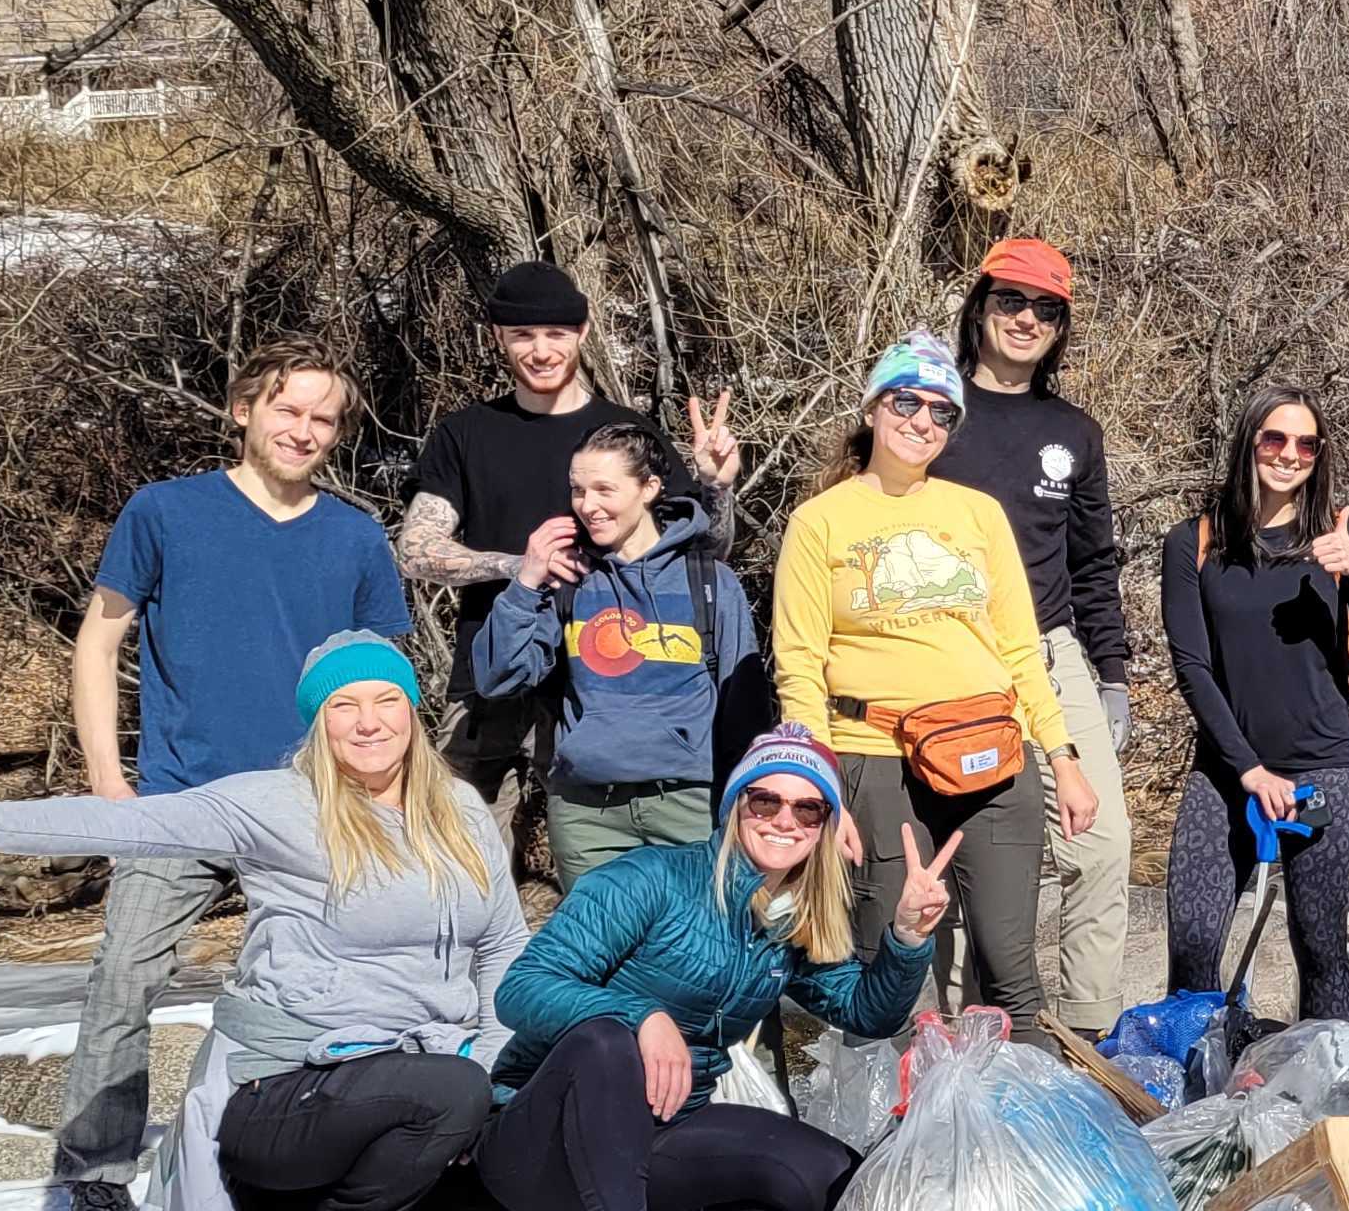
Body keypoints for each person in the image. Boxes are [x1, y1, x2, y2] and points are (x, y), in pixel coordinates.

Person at [0, 634, 524, 1211]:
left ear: (412, 710)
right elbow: (120, 824)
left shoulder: (457, 810)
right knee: (445, 1091)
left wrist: (493, 1080)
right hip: (285, 1088)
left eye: (385, 699)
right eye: (344, 705)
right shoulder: (278, 805)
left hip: (418, 1082)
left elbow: (502, 949)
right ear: (318, 722)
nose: (369, 721)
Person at [37, 339, 415, 1211]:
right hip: (184, 795)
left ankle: (307, 1172)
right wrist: (106, 778)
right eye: (288, 410)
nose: (305, 431)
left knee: (337, 991)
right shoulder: (167, 512)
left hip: (315, 803)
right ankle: (94, 1182)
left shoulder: (356, 538)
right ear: (243, 410)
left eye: (324, 419)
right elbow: (99, 641)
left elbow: (385, 683)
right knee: (124, 978)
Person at [478, 727, 951, 1211]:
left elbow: (866, 1013)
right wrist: (641, 1016)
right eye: (765, 801)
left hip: (657, 1134)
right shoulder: (648, 880)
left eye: (807, 808)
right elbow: (522, 988)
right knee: (605, 1042)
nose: (784, 819)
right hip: (539, 1147)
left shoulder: (785, 917)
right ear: (734, 808)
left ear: (825, 827)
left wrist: (907, 937)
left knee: (824, 1181)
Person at [771, 337, 1100, 1034]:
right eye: (907, 401)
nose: (922, 421)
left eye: (941, 412)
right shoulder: (820, 522)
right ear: (873, 407)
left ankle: (1026, 1133)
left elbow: (1018, 647)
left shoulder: (977, 513)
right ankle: (865, 1136)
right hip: (875, 759)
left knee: (1012, 971)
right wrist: (821, 789)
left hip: (996, 758)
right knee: (877, 962)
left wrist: (1064, 759)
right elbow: (799, 662)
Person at [398, 260, 742, 819]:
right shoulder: (464, 434)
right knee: (457, 859)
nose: (540, 350)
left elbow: (707, 555)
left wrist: (714, 486)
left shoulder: (625, 433)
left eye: (556, 333)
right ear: (498, 339)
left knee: (595, 873)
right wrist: (521, 567)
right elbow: (416, 550)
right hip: (491, 677)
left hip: (606, 686)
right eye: (522, 336)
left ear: (582, 333)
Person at [928, 236, 1138, 1039]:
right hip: (944, 660)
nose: (1025, 318)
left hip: (1051, 657)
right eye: (1010, 300)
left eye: (1045, 308)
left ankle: (1086, 1032)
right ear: (979, 306)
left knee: (1103, 845)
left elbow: (1093, 564)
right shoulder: (932, 412)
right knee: (955, 859)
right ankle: (954, 1042)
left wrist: (1111, 676)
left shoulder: (1074, 433)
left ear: (1061, 328)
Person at [1160, 384, 1349, 1025]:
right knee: (1193, 942)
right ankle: (1199, 1093)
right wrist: (1248, 768)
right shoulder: (1194, 540)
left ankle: (1324, 1090)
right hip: (1226, 770)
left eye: (1306, 443)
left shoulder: (1344, 529)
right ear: (1250, 442)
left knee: (1320, 944)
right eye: (1275, 438)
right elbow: (1192, 666)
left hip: (1326, 764)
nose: (1290, 454)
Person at [465, 419, 757, 884]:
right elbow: (499, 677)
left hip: (689, 807)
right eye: (578, 490)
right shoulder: (568, 581)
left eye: (605, 489)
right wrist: (526, 583)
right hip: (586, 815)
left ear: (649, 488)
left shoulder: (707, 582)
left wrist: (747, 801)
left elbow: (745, 707)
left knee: (692, 949)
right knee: (602, 953)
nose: (588, 506)